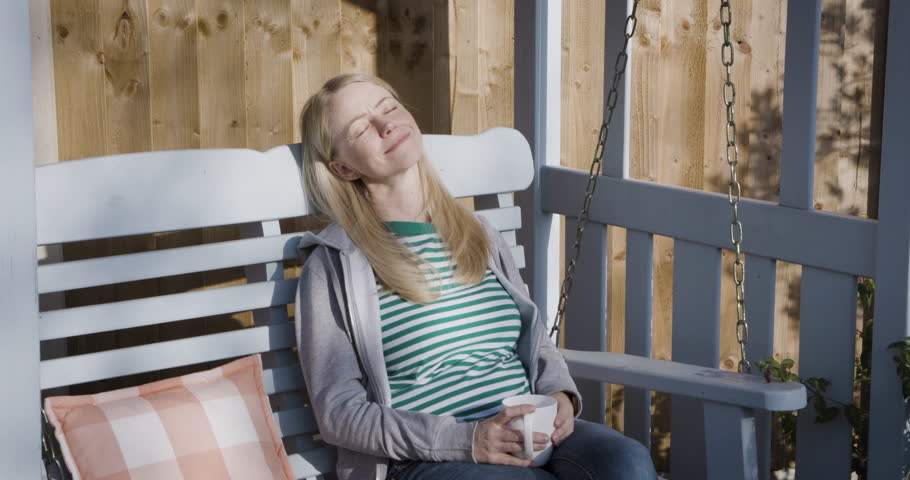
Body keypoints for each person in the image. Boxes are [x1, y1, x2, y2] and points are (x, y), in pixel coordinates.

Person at [294, 72, 657, 480]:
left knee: (626, 461)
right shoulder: (335, 265)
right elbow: (339, 414)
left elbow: (534, 338)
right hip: (428, 458)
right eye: (361, 129)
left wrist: (558, 394)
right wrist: (467, 440)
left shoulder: (478, 233)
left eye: (389, 107)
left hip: (527, 431)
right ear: (343, 168)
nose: (386, 125)